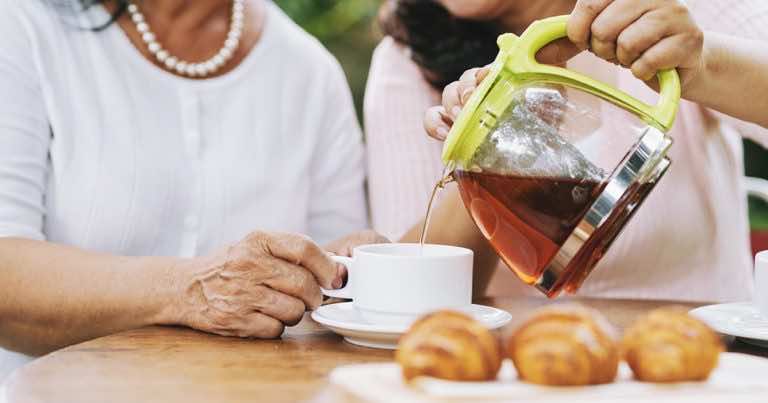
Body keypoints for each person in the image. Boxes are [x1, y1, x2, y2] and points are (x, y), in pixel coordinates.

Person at [0, 0, 384, 380]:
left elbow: (328, 307)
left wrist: (345, 275)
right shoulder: (24, 26)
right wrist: (186, 290)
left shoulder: (310, 72)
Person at [366, 0, 768, 300]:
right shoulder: (405, 60)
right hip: (515, 376)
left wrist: (702, 63)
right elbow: (411, 292)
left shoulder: (673, 8)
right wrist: (493, 135)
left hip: (707, 367)